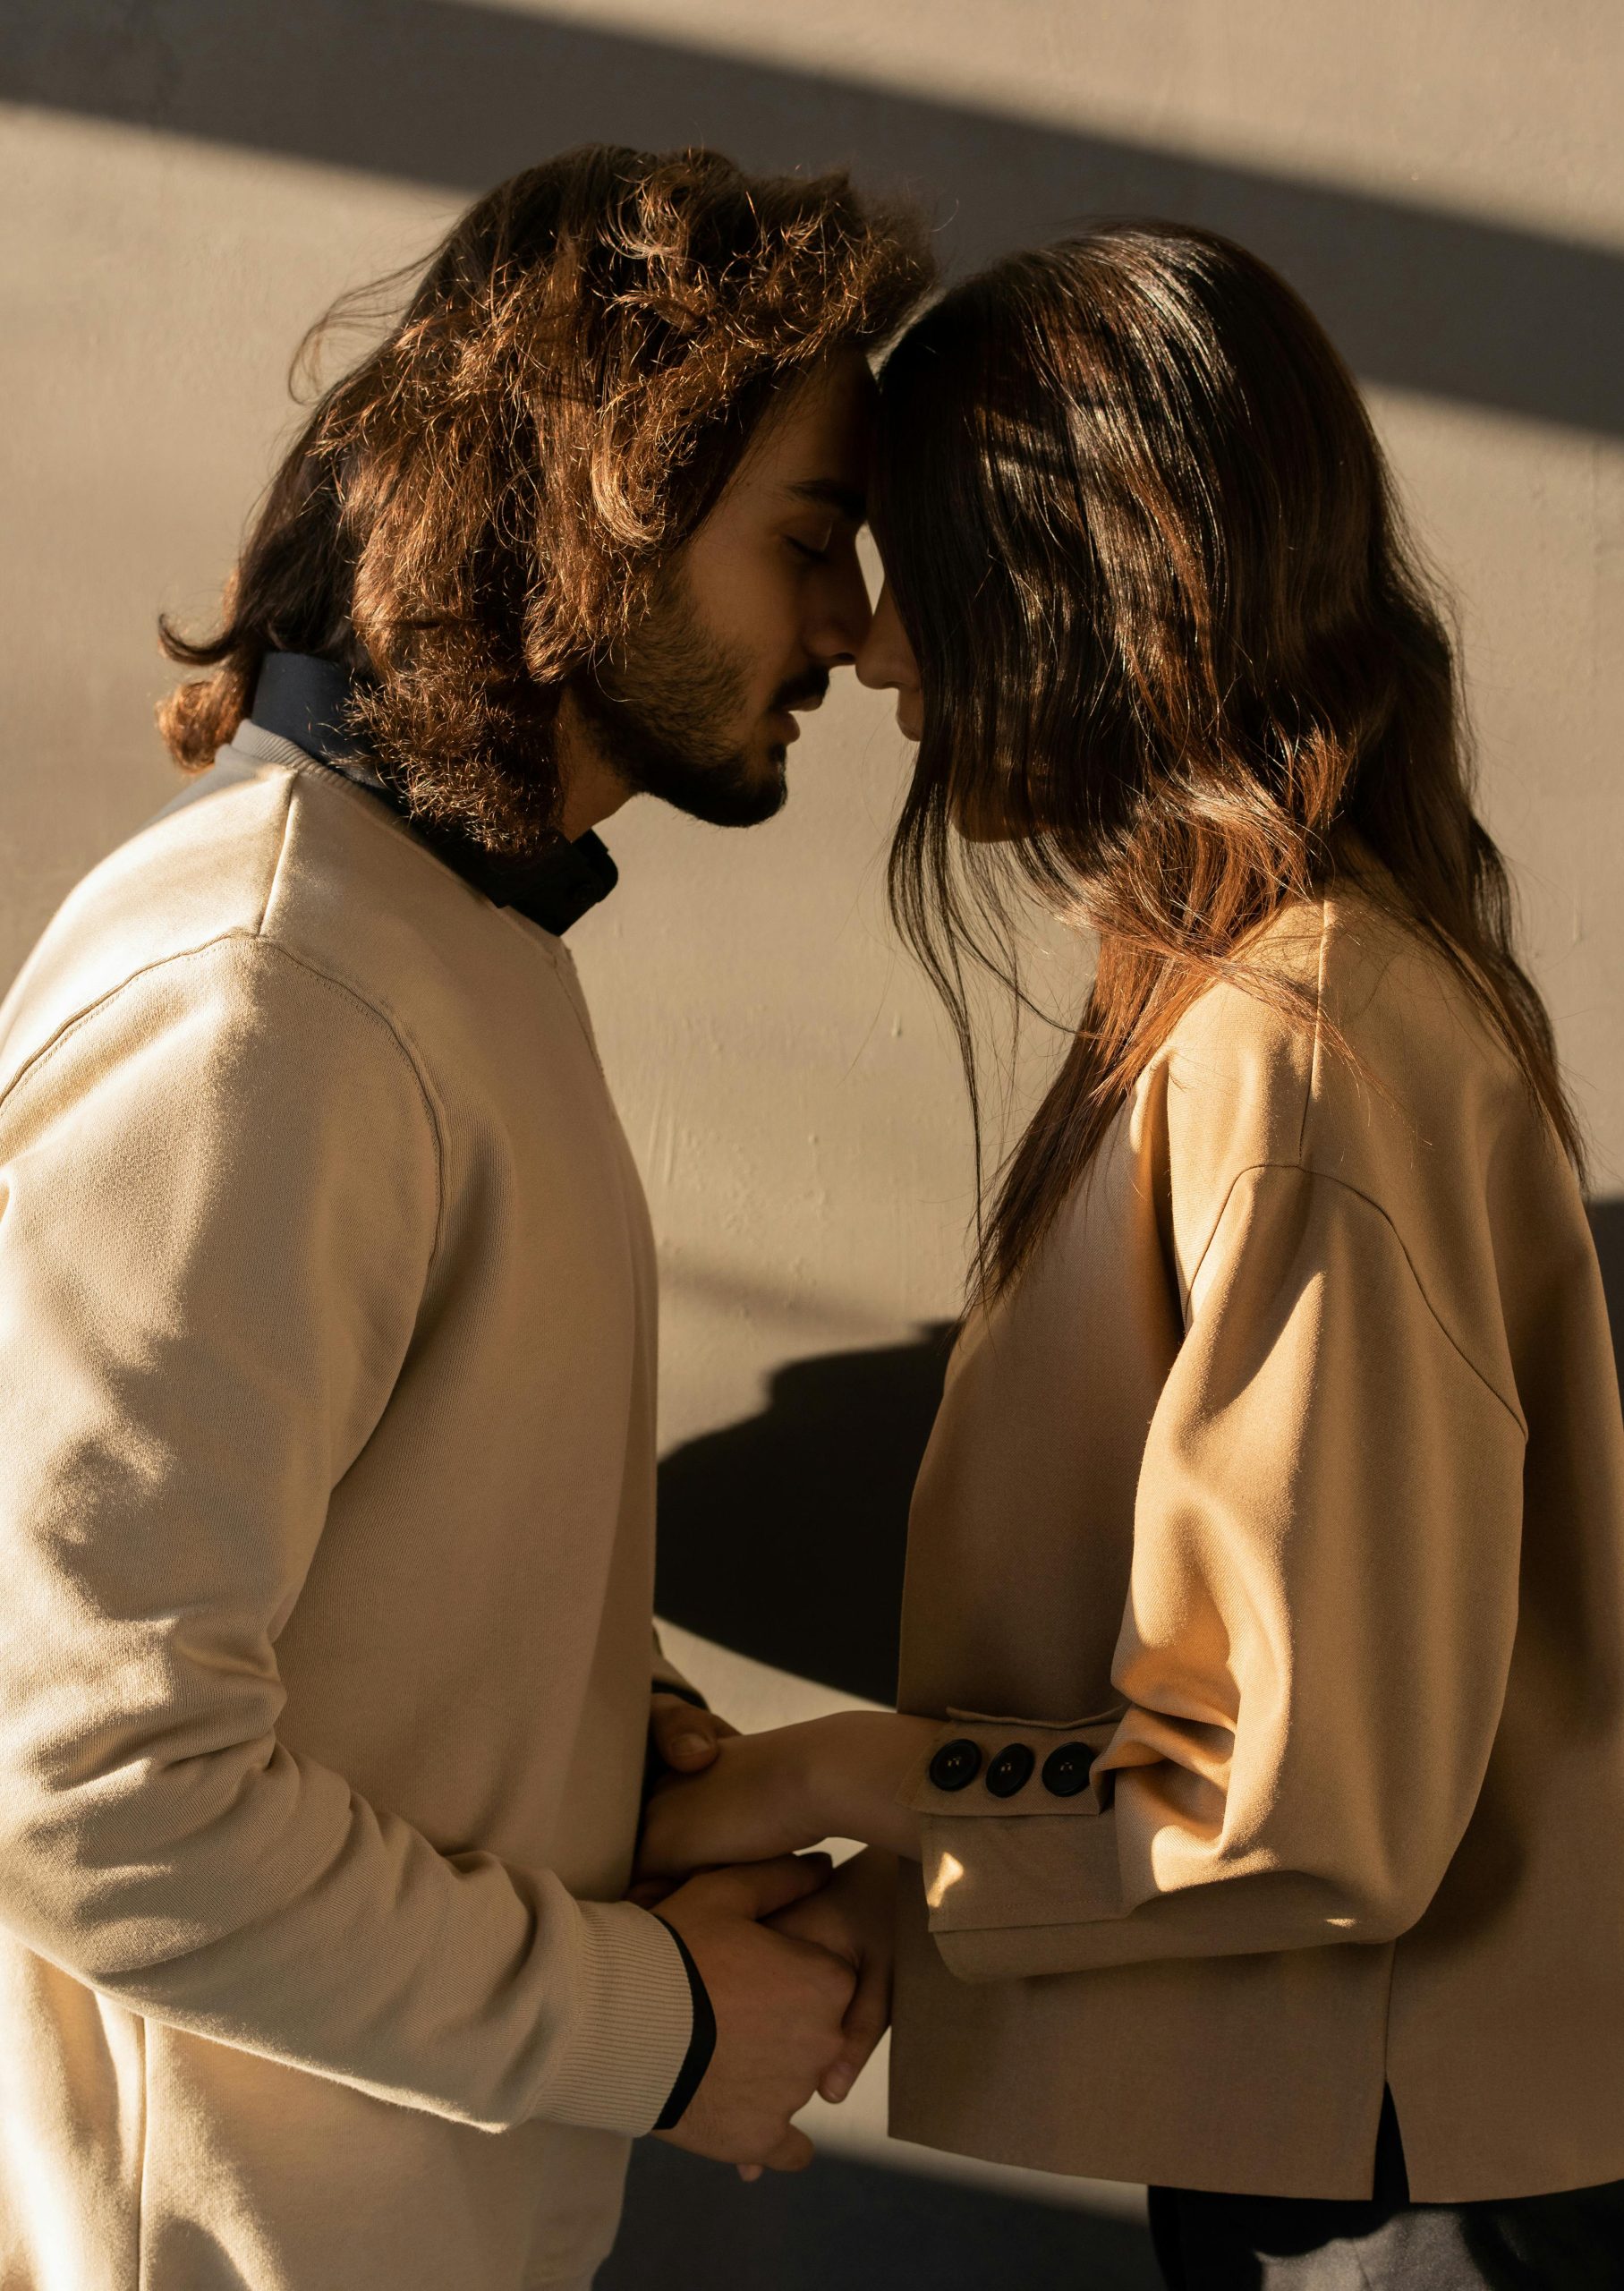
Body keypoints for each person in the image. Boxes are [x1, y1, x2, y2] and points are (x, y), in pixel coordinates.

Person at [638, 224, 1624, 2287]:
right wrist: (896, 1889)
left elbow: (1297, 1792)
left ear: (1083, 583)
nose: (880, 650)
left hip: (1400, 2181)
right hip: (1361, 2126)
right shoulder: (1257, 1004)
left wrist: (836, 1775)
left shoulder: (1291, 1047)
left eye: (916, 565)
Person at [0, 146, 928, 2291]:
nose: (857, 625)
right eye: (808, 536)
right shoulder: (276, 994)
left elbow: (364, 1613)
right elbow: (73, 1771)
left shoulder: (444, 957)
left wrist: (674, 1772)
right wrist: (658, 2024)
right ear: (598, 495)